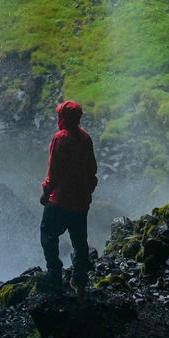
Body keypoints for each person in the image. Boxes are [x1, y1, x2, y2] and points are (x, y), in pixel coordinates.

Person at [39, 100, 98, 303]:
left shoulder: (60, 138)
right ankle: (80, 282)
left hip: (60, 199)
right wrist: (87, 193)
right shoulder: (86, 138)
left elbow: (53, 171)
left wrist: (46, 193)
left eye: (60, 116)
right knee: (80, 241)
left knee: (48, 234)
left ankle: (54, 275)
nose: (58, 119)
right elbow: (92, 171)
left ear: (65, 118)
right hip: (81, 202)